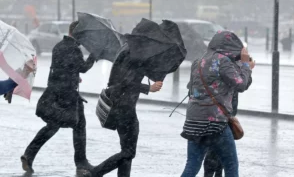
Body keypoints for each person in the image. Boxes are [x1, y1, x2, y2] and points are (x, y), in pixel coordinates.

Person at [20, 21, 96, 173]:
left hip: (55, 93)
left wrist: (73, 76)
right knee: (79, 126)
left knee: (53, 126)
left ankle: (29, 154)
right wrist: (94, 55)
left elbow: (62, 68)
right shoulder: (74, 49)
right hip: (68, 95)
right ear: (78, 34)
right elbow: (83, 68)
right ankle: (81, 163)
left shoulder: (58, 46)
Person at [180, 31, 254, 177]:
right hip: (214, 122)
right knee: (231, 165)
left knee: (192, 164)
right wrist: (246, 65)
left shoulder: (198, 61)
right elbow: (241, 84)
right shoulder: (222, 61)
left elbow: (191, 88)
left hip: (193, 121)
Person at [86, 44, 163, 177]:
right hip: (125, 107)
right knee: (129, 152)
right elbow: (126, 82)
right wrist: (148, 88)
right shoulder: (133, 54)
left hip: (122, 105)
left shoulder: (126, 49)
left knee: (126, 151)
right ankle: (95, 172)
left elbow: (124, 79)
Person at [203, 59, 254, 177]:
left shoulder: (214, 61)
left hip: (222, 113)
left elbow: (243, 85)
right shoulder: (225, 63)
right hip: (221, 113)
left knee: (218, 151)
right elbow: (242, 84)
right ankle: (212, 174)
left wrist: (247, 69)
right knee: (220, 152)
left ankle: (214, 174)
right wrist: (247, 68)